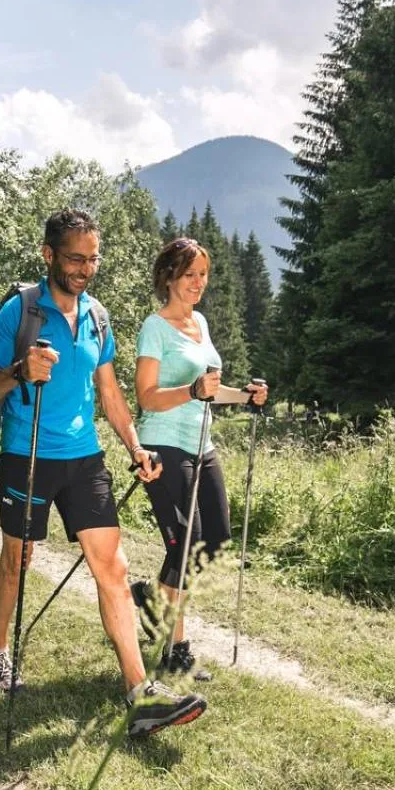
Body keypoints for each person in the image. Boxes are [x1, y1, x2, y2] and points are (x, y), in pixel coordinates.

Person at [0, 209, 208, 738]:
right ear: (48, 254)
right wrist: (17, 371)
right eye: (75, 257)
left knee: (114, 569)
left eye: (92, 258)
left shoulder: (98, 316)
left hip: (84, 457)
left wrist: (136, 445)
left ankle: (140, 695)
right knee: (18, 560)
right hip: (26, 456)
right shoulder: (19, 311)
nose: (84, 268)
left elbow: (111, 393)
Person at [132, 237, 268, 681]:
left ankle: (153, 599)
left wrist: (245, 398)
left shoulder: (201, 323)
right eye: (189, 274)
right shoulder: (154, 328)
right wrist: (192, 391)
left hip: (202, 444)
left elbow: (209, 390)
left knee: (217, 540)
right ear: (169, 276)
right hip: (164, 445)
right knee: (187, 546)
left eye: (203, 274)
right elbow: (147, 398)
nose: (198, 282)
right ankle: (177, 649)